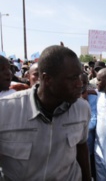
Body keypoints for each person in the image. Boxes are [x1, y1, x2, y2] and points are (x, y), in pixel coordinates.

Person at [0, 45, 91, 181]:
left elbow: (82, 148)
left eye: (80, 76)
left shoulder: (82, 108)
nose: (80, 84)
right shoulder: (5, 110)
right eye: (72, 78)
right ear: (47, 79)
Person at [80, 73, 97, 180]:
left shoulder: (94, 99)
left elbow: (93, 123)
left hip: (89, 147)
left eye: (84, 83)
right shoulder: (67, 97)